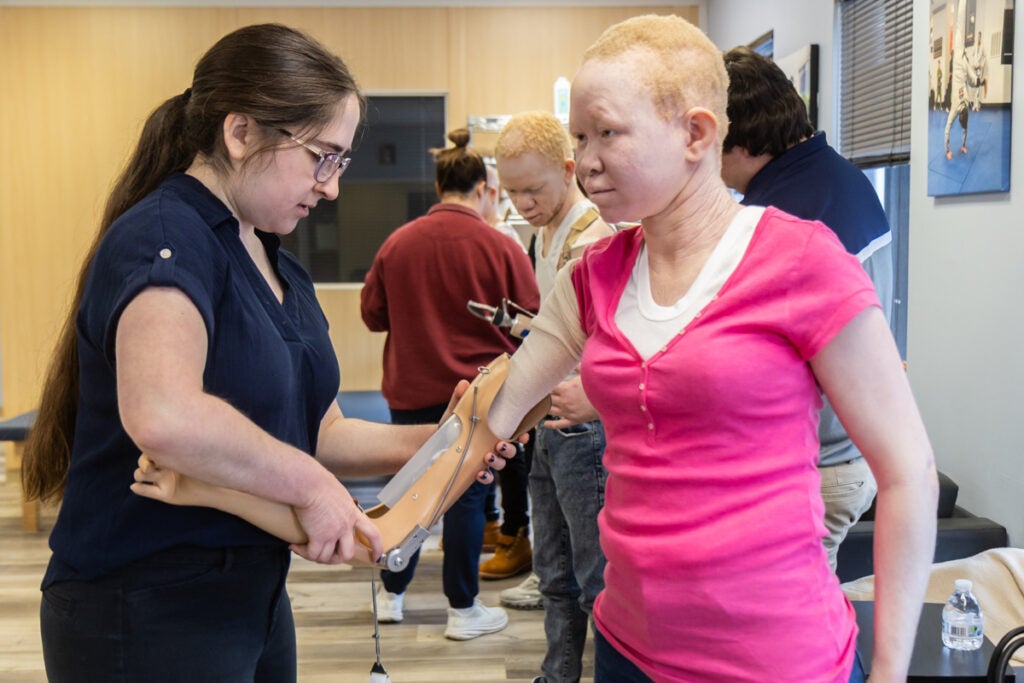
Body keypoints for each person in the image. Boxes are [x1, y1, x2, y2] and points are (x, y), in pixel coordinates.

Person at [19, 24, 509, 682]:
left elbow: (321, 429)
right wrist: (312, 487)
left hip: (253, 593)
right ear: (241, 132)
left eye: (340, 162)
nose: (331, 186)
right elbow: (163, 412)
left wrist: (449, 435)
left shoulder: (279, 263)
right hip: (144, 601)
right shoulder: (165, 236)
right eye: (320, 157)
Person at [485, 14, 938, 683]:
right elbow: (500, 404)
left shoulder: (801, 258)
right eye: (580, 138)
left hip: (777, 659)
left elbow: (908, 471)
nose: (585, 162)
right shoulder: (594, 274)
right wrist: (387, 506)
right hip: (627, 649)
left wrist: (891, 671)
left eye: (607, 133)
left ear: (696, 133)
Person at [360, 128, 541, 639]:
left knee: (408, 491)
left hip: (410, 391)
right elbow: (531, 316)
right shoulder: (499, 245)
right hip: (478, 395)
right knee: (465, 496)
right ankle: (463, 611)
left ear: (439, 185)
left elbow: (373, 315)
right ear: (484, 188)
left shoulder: (397, 243)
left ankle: (391, 595)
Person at [720, 45, 894, 573]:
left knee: (786, 633)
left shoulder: (778, 215)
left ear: (741, 140)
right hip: (849, 449)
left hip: (817, 460)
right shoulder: (842, 177)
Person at [493, 109, 614, 683]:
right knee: (551, 567)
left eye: (533, 190)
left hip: (583, 424)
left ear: (569, 170)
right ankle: (558, 673)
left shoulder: (595, 236)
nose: (522, 204)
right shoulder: (545, 232)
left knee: (593, 574)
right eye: (512, 191)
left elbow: (594, 345)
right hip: (550, 414)